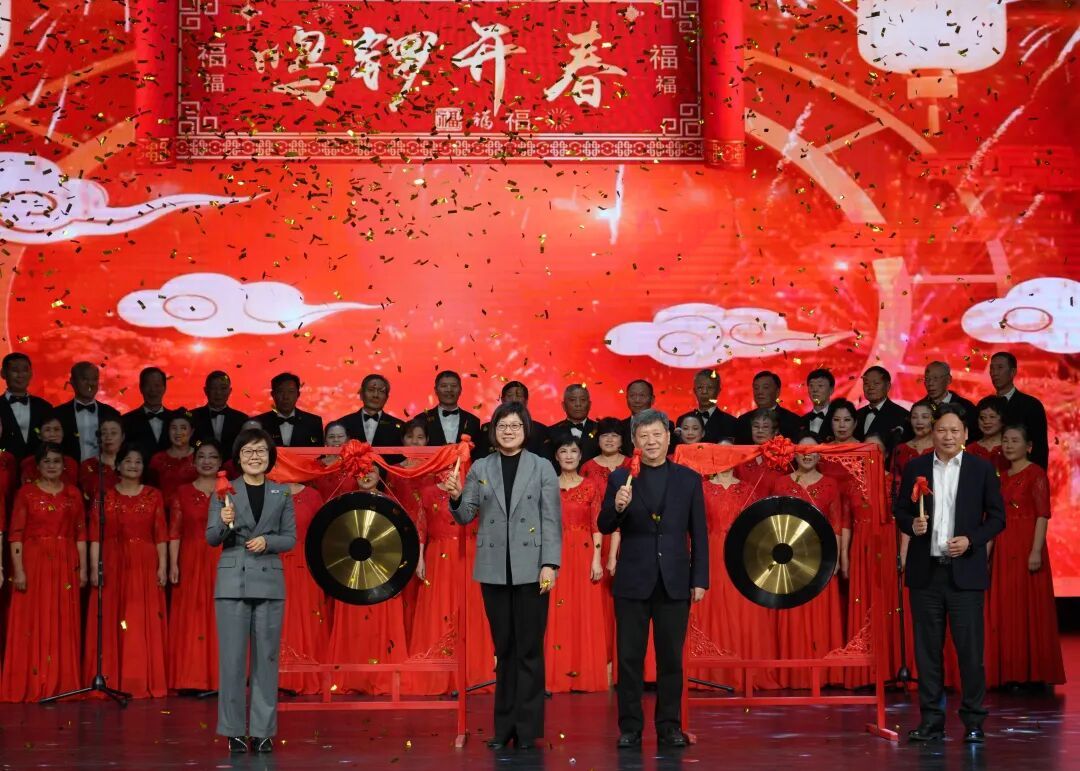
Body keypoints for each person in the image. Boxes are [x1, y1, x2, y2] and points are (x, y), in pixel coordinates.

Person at [446, 402, 562, 750]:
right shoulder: (481, 466)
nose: (508, 431)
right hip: (494, 569)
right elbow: (466, 515)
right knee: (505, 650)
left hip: (533, 569)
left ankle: (527, 730)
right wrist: (456, 497)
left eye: (515, 425)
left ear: (525, 430)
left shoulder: (542, 467)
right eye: (502, 426)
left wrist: (550, 564)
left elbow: (551, 519)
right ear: (493, 432)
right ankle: (504, 728)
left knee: (529, 650)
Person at [597, 408, 708, 749]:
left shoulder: (688, 479)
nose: (651, 441)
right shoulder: (621, 478)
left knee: (670, 659)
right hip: (633, 579)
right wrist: (618, 507)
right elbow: (604, 524)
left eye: (657, 434)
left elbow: (699, 534)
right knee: (629, 659)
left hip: (674, 579)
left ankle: (669, 726)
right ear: (634, 440)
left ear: (668, 436)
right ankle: (630, 727)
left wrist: (700, 578)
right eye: (643, 436)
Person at [894, 405, 1005, 744]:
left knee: (970, 652)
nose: (948, 436)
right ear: (933, 433)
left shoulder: (980, 469)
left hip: (965, 576)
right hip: (926, 574)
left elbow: (997, 518)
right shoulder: (916, 467)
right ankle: (932, 722)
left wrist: (971, 540)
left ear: (966, 434)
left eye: (955, 430)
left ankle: (973, 722)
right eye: (942, 430)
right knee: (927, 653)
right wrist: (911, 524)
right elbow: (900, 509)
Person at [207, 427, 296, 754]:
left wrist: (268, 541)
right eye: (248, 451)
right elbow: (212, 538)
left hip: (269, 582)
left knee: (266, 660)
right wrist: (223, 520)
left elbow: (290, 538)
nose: (254, 457)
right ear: (238, 458)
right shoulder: (224, 491)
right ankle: (232, 731)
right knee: (232, 661)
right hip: (233, 582)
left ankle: (262, 731)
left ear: (269, 457)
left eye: (260, 451)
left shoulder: (281, 493)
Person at [690, 441, 780, 690]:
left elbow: (759, 527)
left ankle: (746, 671)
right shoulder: (702, 489)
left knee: (743, 608)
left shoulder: (747, 489)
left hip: (741, 554)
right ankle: (712, 673)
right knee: (713, 606)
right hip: (711, 553)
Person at [0, 443, 86, 702]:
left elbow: (81, 534)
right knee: (32, 619)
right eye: (46, 461)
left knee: (62, 619)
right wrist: (19, 570)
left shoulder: (73, 494)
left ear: (64, 466)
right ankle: (32, 682)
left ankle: (61, 683)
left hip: (65, 562)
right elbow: (16, 535)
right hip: (34, 561)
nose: (51, 466)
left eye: (56, 461)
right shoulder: (26, 493)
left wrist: (82, 569)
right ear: (37, 465)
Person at [84, 442, 169, 698]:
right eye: (128, 461)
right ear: (118, 466)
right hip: (111, 561)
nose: (133, 465)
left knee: (138, 618)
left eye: (138, 462)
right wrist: (94, 567)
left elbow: (161, 535)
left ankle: (137, 679)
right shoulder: (104, 496)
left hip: (144, 562)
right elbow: (95, 537)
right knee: (112, 616)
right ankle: (110, 677)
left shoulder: (154, 495)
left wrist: (163, 566)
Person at [985, 425, 1064, 689]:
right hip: (1003, 545)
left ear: (1028, 446)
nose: (1008, 445)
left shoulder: (1036, 474)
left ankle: (1032, 674)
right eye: (1005, 441)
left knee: (1028, 608)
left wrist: (1035, 550)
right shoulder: (1000, 476)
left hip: (1027, 545)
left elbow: (1042, 515)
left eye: (1015, 441)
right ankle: (1009, 674)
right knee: (1006, 609)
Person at [766, 436, 845, 688]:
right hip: (788, 559)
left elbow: (836, 526)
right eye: (802, 450)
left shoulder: (831, 484)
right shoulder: (781, 483)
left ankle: (823, 675)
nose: (807, 455)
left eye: (812, 450)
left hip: (821, 558)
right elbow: (772, 523)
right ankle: (791, 674)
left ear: (820, 454)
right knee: (792, 614)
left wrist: (837, 560)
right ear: (793, 454)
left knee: (820, 616)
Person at [325, 466, 411, 695]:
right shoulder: (344, 503)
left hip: (385, 574)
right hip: (350, 575)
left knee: (380, 629)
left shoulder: (391, 504)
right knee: (354, 629)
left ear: (380, 475)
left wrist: (399, 577)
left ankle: (382, 679)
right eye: (360, 471)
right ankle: (353, 679)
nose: (366, 475)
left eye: (371, 470)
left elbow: (404, 541)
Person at [545, 433, 609, 693]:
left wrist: (596, 560)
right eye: (564, 451)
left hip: (584, 554)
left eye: (573, 451)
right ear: (556, 456)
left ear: (581, 456)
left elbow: (597, 526)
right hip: (555, 554)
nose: (569, 456)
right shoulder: (547, 486)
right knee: (556, 611)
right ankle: (556, 676)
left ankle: (585, 676)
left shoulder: (591, 486)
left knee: (584, 612)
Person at [167, 440, 226, 693]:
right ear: (194, 461)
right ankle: (191, 678)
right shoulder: (182, 492)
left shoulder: (230, 490)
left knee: (222, 613)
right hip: (191, 557)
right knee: (192, 614)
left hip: (222, 557)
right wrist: (172, 564)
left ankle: (221, 678)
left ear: (220, 462)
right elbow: (174, 532)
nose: (207, 461)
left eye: (212, 457)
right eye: (201, 456)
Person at [279, 481, 328, 695]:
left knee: (307, 613)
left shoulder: (313, 495)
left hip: (306, 560)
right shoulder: (268, 491)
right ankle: (274, 677)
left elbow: (323, 532)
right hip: (274, 558)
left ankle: (305, 675)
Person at [987, 352, 1049, 468]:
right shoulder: (985, 405)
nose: (994, 373)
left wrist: (1036, 476)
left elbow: (1040, 448)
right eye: (992, 368)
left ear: (1013, 372)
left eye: (1000, 367)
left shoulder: (1031, 405)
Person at [54, 361, 121, 461]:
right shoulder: (57, 415)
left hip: (104, 470)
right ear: (72, 382)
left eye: (95, 379)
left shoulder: (112, 414)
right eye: (85, 379)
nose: (91, 384)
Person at [477, 381, 551, 457]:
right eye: (509, 395)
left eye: (519, 395)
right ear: (502, 400)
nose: (514, 399)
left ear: (526, 401)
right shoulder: (488, 428)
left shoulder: (540, 430)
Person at [0, 352, 52, 459]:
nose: (20, 375)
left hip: (37, 468)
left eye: (25, 370)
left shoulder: (45, 407)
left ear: (31, 373)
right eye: (15, 370)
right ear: (3, 373)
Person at [254, 372, 324, 448]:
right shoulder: (258, 423)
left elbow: (319, 453)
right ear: (273, 394)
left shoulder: (313, 422)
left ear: (298, 394)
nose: (286, 397)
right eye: (280, 391)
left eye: (291, 391)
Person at [335, 373, 405, 446]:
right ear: (361, 394)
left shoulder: (400, 427)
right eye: (371, 390)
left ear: (386, 398)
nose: (375, 395)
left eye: (381, 391)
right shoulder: (342, 424)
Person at [190, 371, 248, 454]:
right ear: (206, 391)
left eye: (223, 388)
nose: (218, 393)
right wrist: (200, 444)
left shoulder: (242, 419)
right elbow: (192, 441)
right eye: (213, 388)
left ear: (230, 391)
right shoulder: (192, 416)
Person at [736, 371, 801, 443]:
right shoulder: (743, 421)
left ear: (777, 392)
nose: (760, 392)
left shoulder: (793, 421)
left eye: (765, 387)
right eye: (756, 388)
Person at [854, 366, 910, 450]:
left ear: (888, 386)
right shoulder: (856, 415)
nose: (871, 387)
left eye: (876, 383)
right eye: (866, 383)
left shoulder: (902, 415)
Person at [675, 369, 737, 444]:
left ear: (718, 390)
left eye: (710, 387)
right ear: (694, 391)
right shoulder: (682, 420)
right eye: (700, 387)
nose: (704, 392)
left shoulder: (731, 422)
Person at [419, 370, 482, 446]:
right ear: (436, 390)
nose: (449, 390)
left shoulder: (473, 421)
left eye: (454, 386)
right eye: (444, 386)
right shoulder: (421, 420)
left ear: (460, 390)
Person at [121, 366, 173, 455]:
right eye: (148, 385)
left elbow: (195, 443)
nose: (153, 390)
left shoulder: (176, 418)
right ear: (141, 388)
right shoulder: (125, 421)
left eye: (157, 385)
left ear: (164, 388)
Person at [149, 411, 198, 501]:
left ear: (192, 431)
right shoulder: (158, 459)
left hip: (194, 508)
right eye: (174, 428)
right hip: (163, 508)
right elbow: (151, 490)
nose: (178, 432)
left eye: (183, 428)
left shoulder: (199, 456)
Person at [19, 415, 79, 487]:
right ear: (39, 435)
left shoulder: (71, 463)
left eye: (57, 429)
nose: (52, 434)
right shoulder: (29, 463)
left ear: (63, 433)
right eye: (47, 430)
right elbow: (27, 489)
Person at [78, 417, 123, 507]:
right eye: (104, 433)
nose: (108, 437)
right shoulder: (88, 465)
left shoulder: (131, 465)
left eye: (113, 433)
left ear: (122, 437)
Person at [922, 361, 977, 435]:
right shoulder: (919, 407)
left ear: (948, 380)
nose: (930, 383)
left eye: (935, 378)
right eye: (927, 379)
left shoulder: (967, 407)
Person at [549, 384, 600, 462]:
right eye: (572, 400)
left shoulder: (600, 430)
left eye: (583, 400)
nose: (578, 404)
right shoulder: (551, 432)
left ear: (589, 405)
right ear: (564, 406)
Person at [310, 422, 358, 501]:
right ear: (325, 441)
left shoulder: (357, 463)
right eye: (331, 437)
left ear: (348, 440)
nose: (336, 440)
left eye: (340, 436)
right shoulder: (315, 467)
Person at [619, 379, 669, 455]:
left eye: (642, 395)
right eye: (632, 396)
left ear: (652, 399)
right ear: (627, 398)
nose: (637, 400)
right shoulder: (619, 427)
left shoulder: (666, 425)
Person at [966, 396, 1009, 474]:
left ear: (1003, 419)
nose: (986, 421)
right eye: (982, 417)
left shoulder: (1011, 448)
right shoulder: (970, 450)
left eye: (992, 417)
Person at [801, 368, 835, 438]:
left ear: (831, 390)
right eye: (811, 386)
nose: (815, 390)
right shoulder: (800, 421)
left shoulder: (839, 419)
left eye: (820, 385)